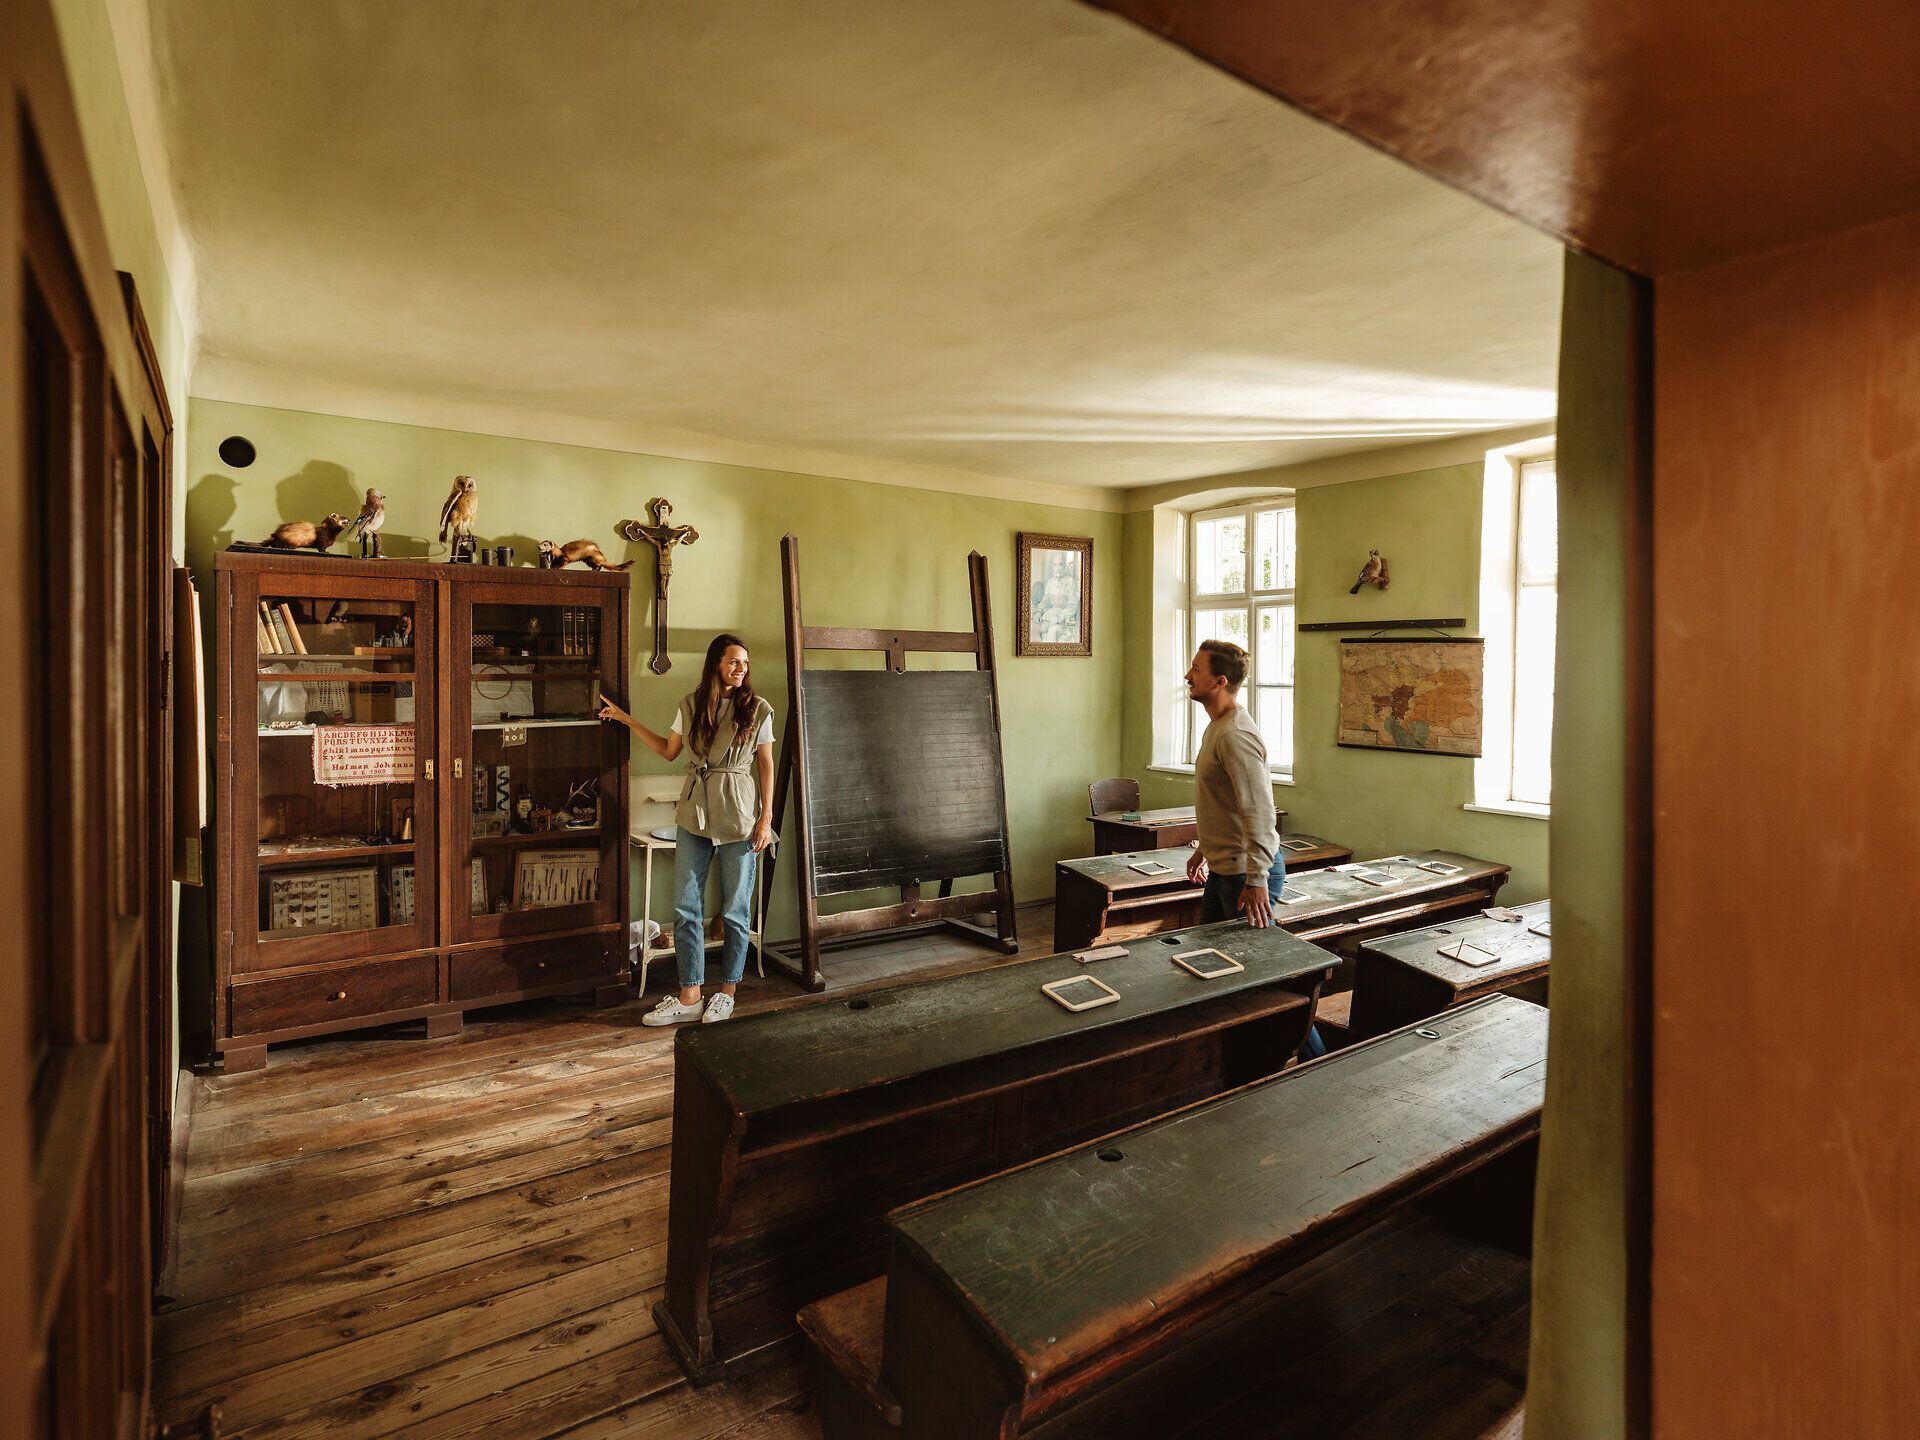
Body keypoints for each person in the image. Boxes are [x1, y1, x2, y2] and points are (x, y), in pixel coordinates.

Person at [598, 633, 775, 1025]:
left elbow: (766, 765)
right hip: (694, 810)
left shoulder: (759, 710)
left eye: (745, 662)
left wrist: (766, 818)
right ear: (716, 663)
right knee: (685, 907)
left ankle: (727, 991)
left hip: (739, 812)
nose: (740, 668)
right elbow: (668, 750)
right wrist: (627, 719)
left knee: (735, 909)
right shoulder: (692, 705)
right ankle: (690, 994)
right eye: (733, 661)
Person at [1182, 637, 1327, 1059]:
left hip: (1246, 877)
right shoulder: (1217, 726)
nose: (1187, 675)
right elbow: (1224, 803)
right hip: (1227, 870)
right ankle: (1228, 1055)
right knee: (1212, 965)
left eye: (1196, 669)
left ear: (1220, 680)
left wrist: (1257, 880)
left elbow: (1260, 813)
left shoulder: (1236, 736)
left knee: (1264, 977)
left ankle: (1314, 1056)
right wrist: (1204, 848)